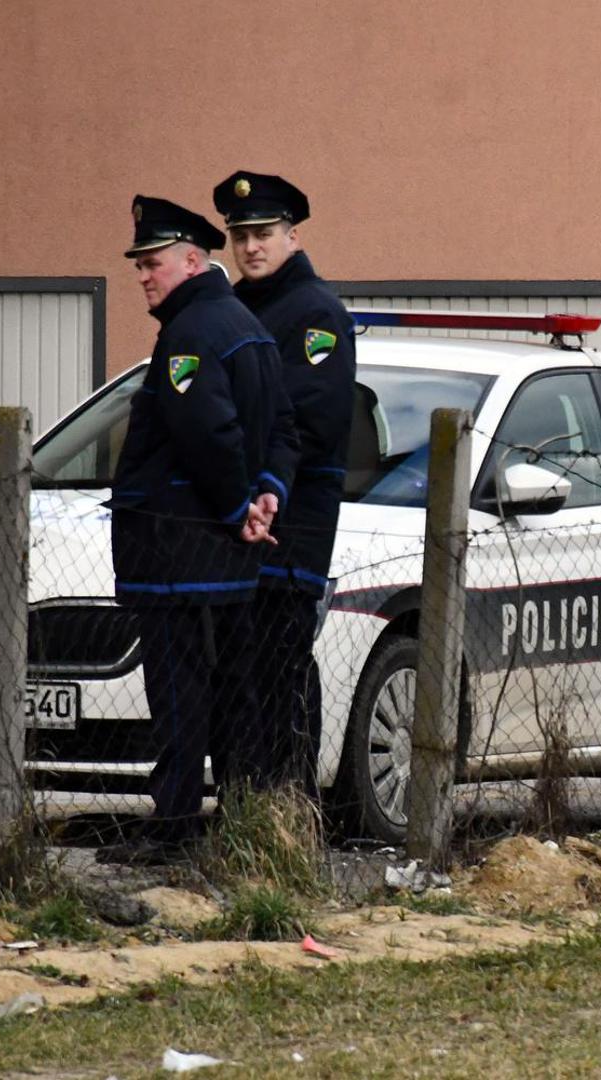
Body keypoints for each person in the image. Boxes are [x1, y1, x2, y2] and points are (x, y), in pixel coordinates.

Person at [109, 195, 297, 848]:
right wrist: (267, 494)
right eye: (139, 266)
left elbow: (208, 433)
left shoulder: (190, 333)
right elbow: (282, 429)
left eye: (151, 263)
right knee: (233, 694)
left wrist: (237, 506)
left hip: (178, 553)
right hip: (227, 559)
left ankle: (174, 828)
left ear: (192, 261)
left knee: (179, 693)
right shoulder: (245, 324)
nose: (142, 277)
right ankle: (243, 825)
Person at [213, 170, 357, 795]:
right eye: (240, 236)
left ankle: (289, 807)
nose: (250, 247)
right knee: (237, 676)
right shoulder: (232, 309)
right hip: (235, 524)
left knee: (279, 667)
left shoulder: (315, 312)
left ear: (292, 236)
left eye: (264, 234)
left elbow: (311, 418)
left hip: (290, 524)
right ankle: (245, 807)